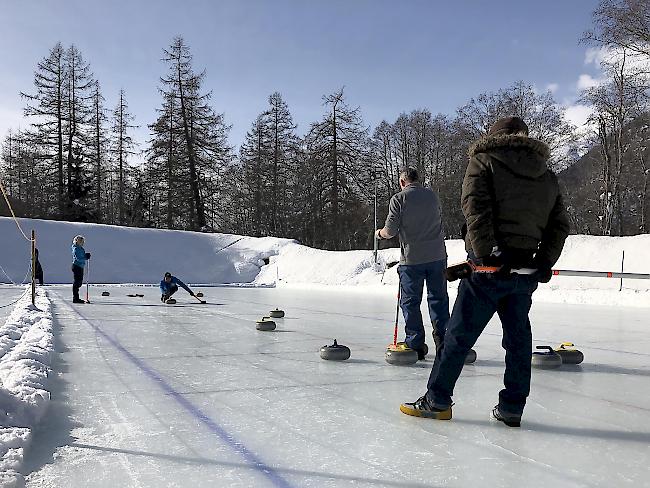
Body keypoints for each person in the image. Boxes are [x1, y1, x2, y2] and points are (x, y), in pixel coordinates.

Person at [400, 116, 570, 426]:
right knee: (518, 340)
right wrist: (543, 261)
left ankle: (437, 400)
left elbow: (474, 208)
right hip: (523, 269)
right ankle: (512, 406)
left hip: (488, 269)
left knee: (457, 336)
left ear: (494, 136)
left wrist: (488, 253)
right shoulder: (546, 175)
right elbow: (559, 225)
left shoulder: (483, 161)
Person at [376, 167, 449, 360]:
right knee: (438, 299)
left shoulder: (399, 199)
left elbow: (390, 231)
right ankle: (444, 342)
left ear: (402, 182)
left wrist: (379, 233)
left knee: (410, 301)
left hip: (412, 259)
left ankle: (415, 342)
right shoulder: (432, 196)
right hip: (437, 256)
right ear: (419, 179)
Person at [71, 235, 90, 303]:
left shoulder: (80, 248)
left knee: (79, 282)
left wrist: (86, 256)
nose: (83, 243)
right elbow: (78, 258)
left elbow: (82, 256)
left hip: (80, 266)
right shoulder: (76, 248)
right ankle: (75, 298)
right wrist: (85, 257)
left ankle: (76, 297)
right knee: (77, 282)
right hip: (77, 266)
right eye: (81, 241)